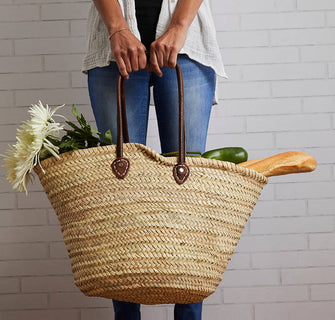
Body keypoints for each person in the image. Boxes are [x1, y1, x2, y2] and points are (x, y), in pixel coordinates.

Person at [81, 0, 226, 319]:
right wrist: (118, 27)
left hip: (186, 46)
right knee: (121, 200)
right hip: (113, 46)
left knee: (188, 199)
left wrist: (178, 27)